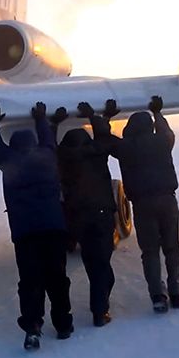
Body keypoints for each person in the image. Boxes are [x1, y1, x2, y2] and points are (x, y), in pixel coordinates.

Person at [0, 102, 73, 351]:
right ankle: (63, 324)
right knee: (57, 277)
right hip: (54, 227)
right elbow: (48, 139)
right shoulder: (46, 156)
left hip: (25, 233)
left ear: (13, 146)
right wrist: (41, 118)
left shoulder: (8, 160)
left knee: (30, 281)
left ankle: (33, 327)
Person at [104, 96, 179, 313]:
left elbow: (104, 139)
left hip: (142, 204)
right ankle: (176, 291)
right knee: (172, 247)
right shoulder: (162, 142)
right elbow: (167, 132)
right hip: (168, 200)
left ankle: (158, 296)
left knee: (150, 251)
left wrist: (106, 116)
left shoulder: (125, 148)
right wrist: (157, 112)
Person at [52, 102, 118, 326]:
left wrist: (52, 123)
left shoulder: (63, 158)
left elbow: (49, 146)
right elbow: (104, 139)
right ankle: (100, 312)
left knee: (94, 263)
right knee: (102, 265)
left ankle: (100, 305)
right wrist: (96, 116)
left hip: (77, 218)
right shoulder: (95, 154)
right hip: (101, 215)